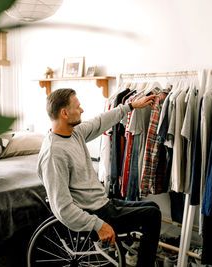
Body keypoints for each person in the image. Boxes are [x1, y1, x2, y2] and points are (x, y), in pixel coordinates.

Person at [37, 88, 162, 267]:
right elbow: (62, 208)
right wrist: (97, 225)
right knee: (152, 214)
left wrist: (131, 106)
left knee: (152, 207)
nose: (82, 110)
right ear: (64, 113)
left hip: (102, 203)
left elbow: (100, 121)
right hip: (96, 213)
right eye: (78, 107)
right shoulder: (54, 154)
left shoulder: (74, 133)